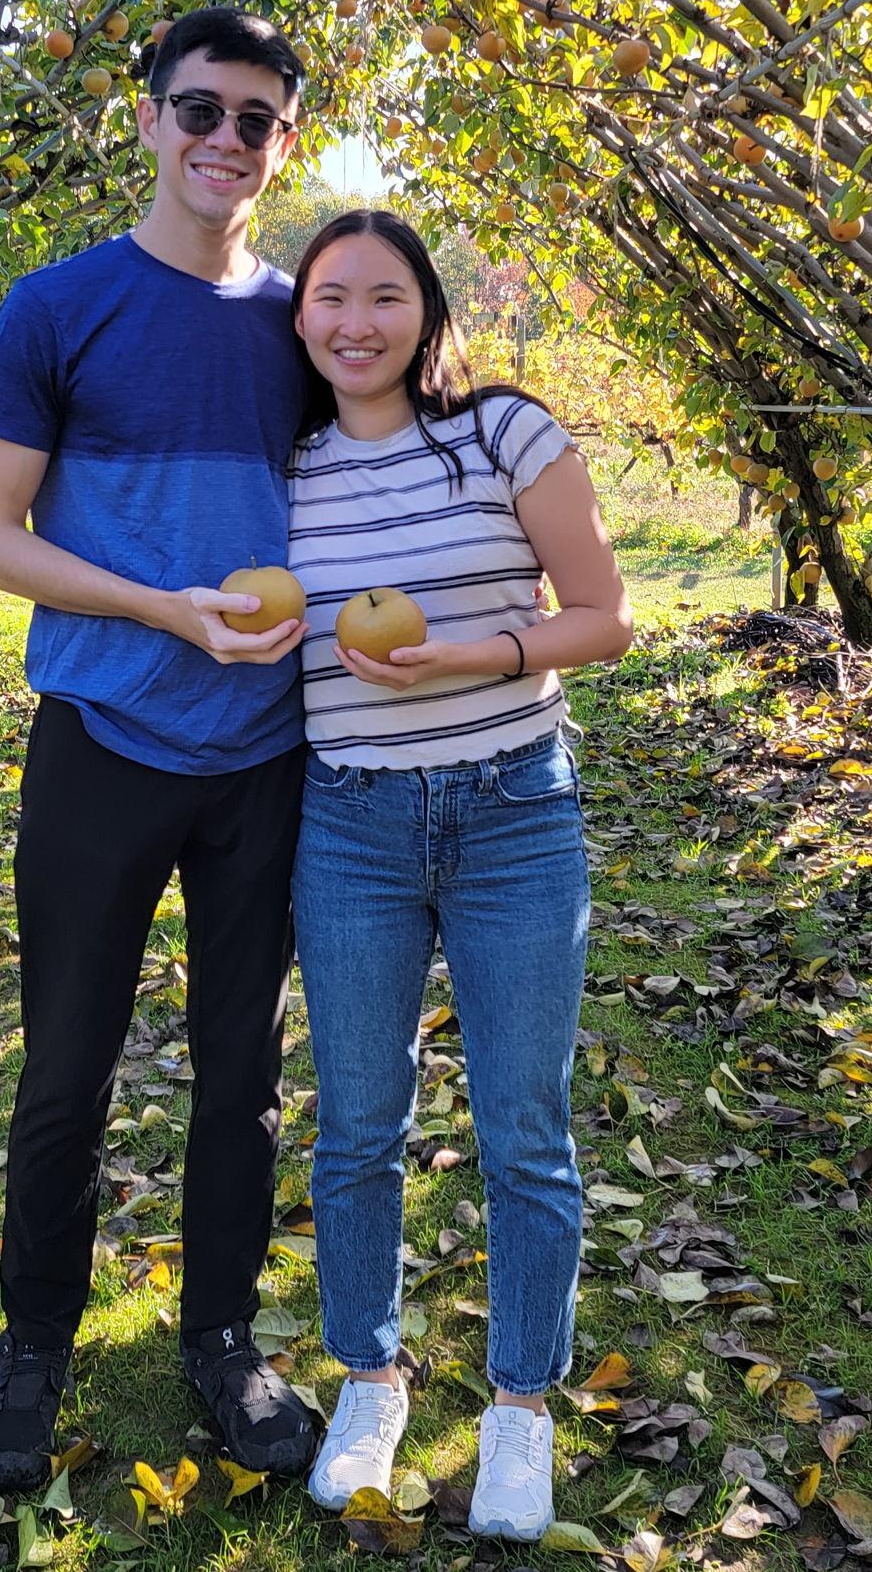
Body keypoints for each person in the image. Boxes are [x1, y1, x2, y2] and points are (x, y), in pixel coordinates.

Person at [0, 6, 321, 1491]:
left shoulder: (305, 320)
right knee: (67, 1066)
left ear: (284, 142)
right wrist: (161, 607)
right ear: (150, 119)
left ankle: (222, 1337)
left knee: (241, 1067)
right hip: (105, 734)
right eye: (199, 108)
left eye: (255, 119)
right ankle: (34, 1339)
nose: (224, 139)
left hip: (268, 752)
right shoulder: (57, 307)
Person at [285, 210, 632, 1542]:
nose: (356, 321)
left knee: (524, 1126)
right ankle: (368, 1377)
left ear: (426, 311)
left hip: (511, 816)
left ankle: (520, 1407)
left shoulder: (504, 432)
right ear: (302, 316)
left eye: (384, 295)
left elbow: (604, 614)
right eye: (330, 297)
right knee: (360, 1120)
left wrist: (468, 655)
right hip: (352, 823)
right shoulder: (288, 468)